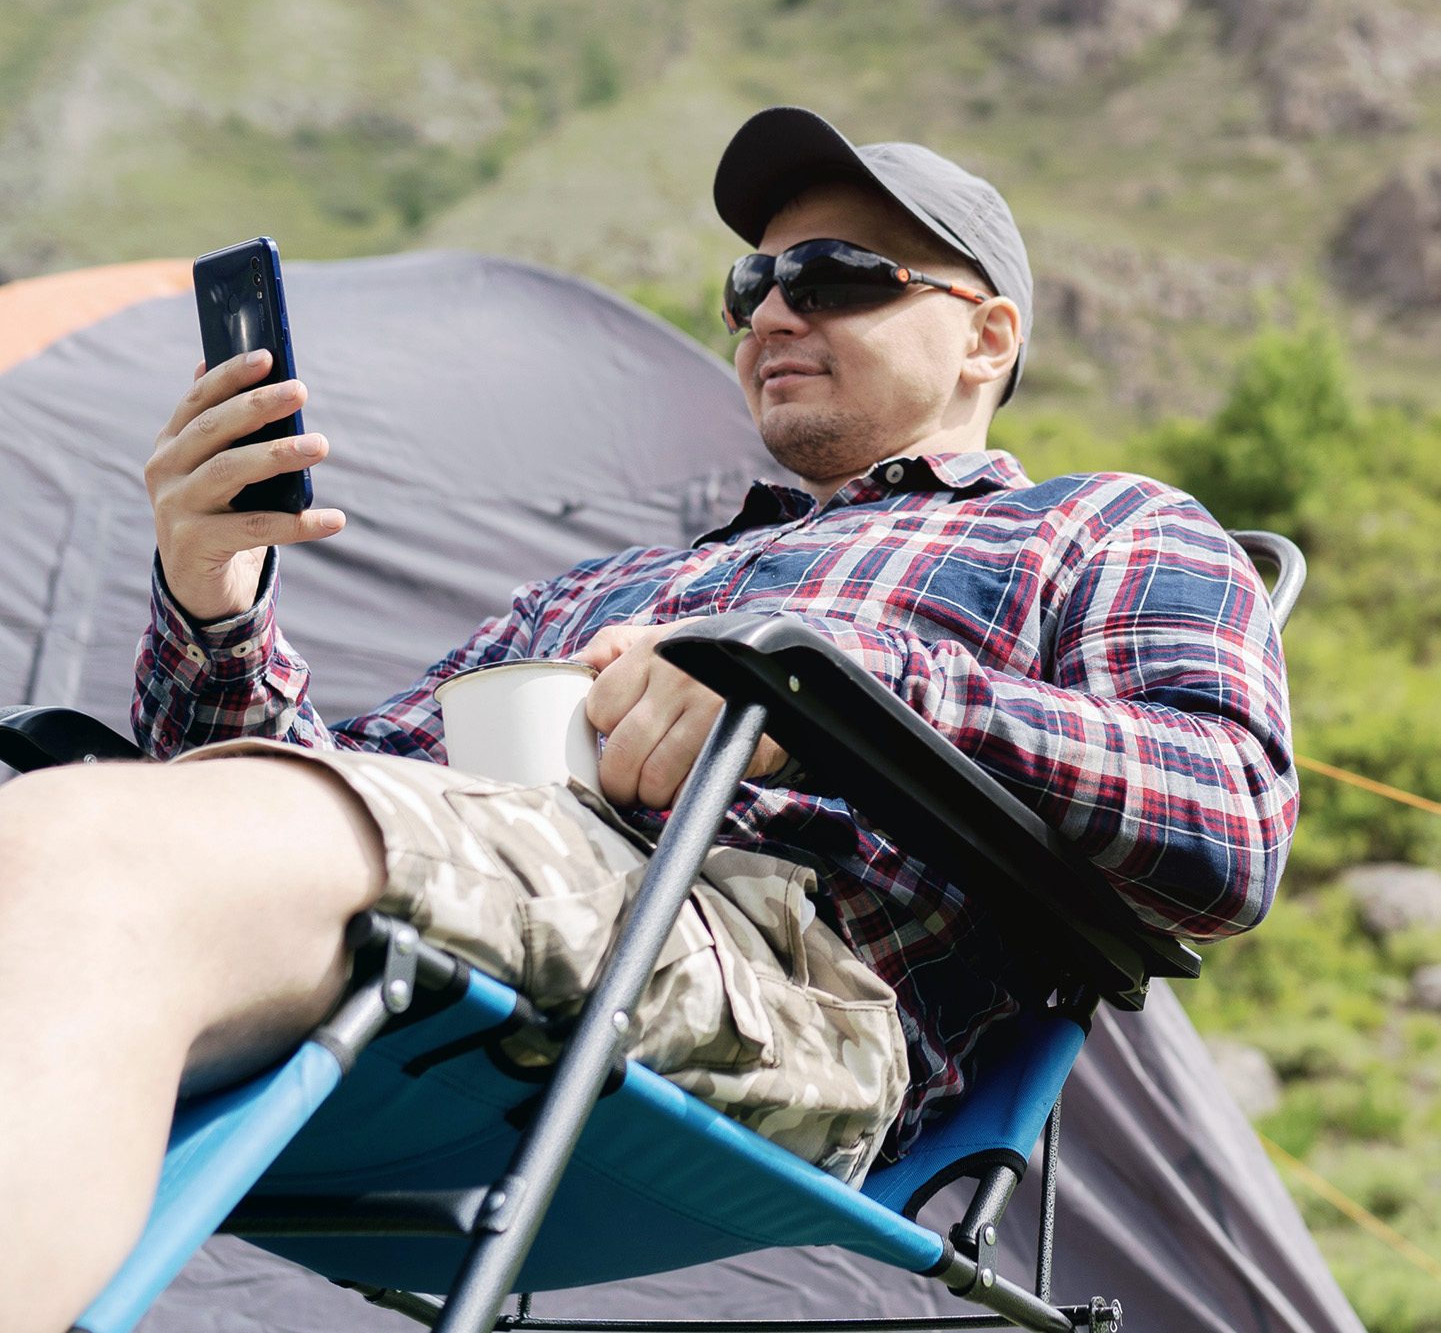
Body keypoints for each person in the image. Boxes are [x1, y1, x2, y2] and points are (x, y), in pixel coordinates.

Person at [0, 107, 1297, 1333]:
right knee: (93, 845)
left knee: (86, 849)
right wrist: (213, 601)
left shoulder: (1097, 529)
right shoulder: (607, 586)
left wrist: (824, 687)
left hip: (786, 981)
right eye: (751, 287)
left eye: (837, 276)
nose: (773, 309)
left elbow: (1228, 823)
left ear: (985, 337)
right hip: (490, 940)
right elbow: (315, 802)